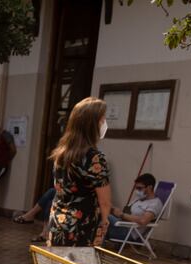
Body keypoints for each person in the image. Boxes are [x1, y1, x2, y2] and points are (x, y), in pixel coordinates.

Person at [48, 97, 111, 247]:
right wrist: (104, 223)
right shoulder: (94, 158)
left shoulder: (61, 153)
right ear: (91, 124)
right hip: (82, 226)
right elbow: (105, 201)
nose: (104, 124)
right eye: (102, 120)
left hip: (58, 221)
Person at [104, 173, 165, 242]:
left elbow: (143, 220)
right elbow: (128, 213)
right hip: (124, 225)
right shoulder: (140, 198)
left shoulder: (155, 204)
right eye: (136, 188)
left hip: (129, 232)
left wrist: (122, 215)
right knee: (102, 210)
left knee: (103, 216)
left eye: (140, 188)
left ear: (150, 187)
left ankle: (96, 247)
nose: (137, 191)